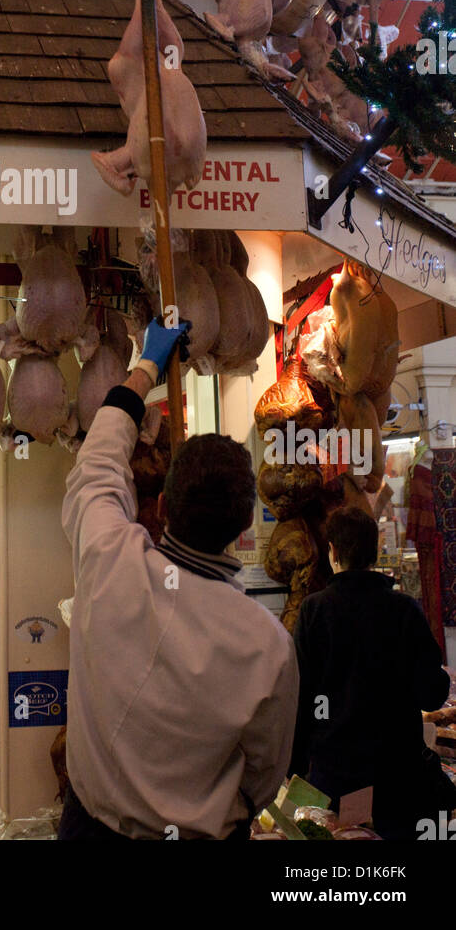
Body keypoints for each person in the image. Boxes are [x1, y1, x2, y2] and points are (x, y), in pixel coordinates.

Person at [60, 319, 299, 840]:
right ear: (242, 532)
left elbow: (98, 459)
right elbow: (264, 773)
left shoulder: (108, 558)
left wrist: (147, 366)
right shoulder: (269, 646)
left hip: (89, 829)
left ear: (162, 506)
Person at [291, 505, 453, 839]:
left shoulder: (314, 610)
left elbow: (300, 698)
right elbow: (432, 692)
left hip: (332, 779)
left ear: (332, 552)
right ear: (374, 550)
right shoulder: (403, 609)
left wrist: (294, 769)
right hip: (397, 780)